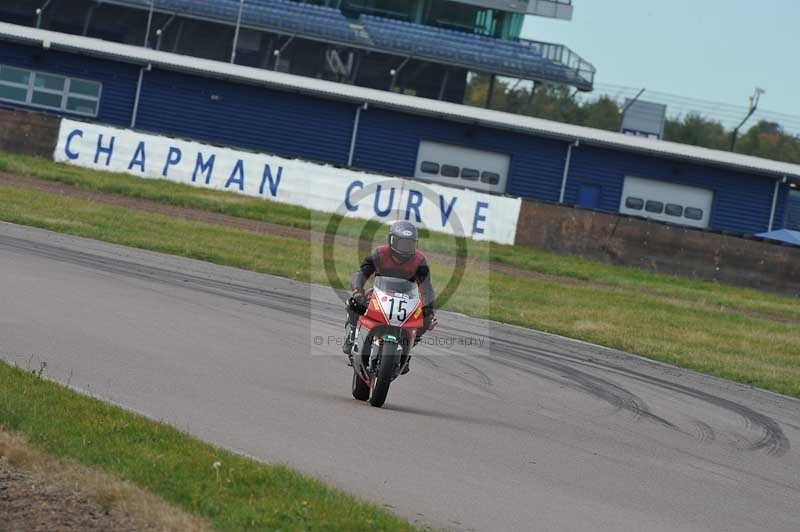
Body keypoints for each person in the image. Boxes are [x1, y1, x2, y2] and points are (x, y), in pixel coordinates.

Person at [343, 220, 436, 374]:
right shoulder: (379, 254)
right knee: (353, 303)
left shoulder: (419, 260)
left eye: (410, 244)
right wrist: (357, 292)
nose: (405, 248)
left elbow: (427, 287)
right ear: (392, 240)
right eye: (402, 243)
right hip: (378, 292)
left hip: (407, 297)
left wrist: (428, 307)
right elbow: (360, 275)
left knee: (426, 318)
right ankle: (351, 336)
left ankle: (408, 349)